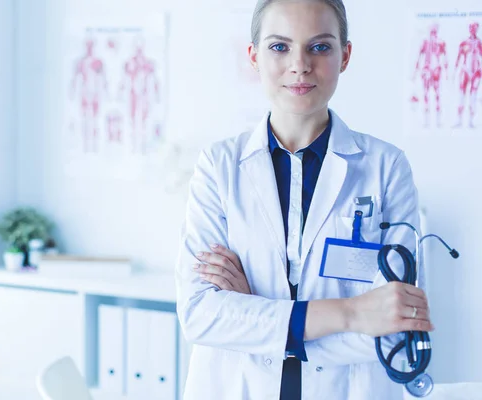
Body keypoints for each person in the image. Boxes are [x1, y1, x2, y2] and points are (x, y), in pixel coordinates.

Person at [174, 1, 433, 399]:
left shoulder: (387, 168)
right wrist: (350, 313)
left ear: (344, 56)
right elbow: (200, 316)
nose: (300, 65)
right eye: (279, 47)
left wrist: (257, 313)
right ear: (254, 56)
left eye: (320, 47)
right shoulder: (219, 166)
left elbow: (395, 331)